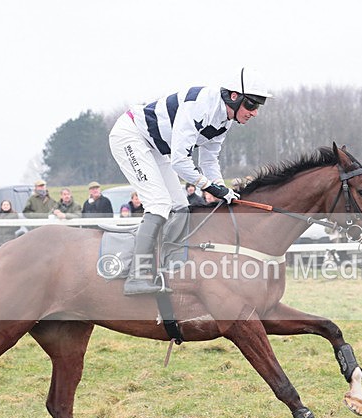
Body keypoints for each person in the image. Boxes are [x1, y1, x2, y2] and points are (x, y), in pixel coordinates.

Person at [108, 67, 271, 295]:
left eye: (258, 107)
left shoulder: (225, 120)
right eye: (252, 105)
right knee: (159, 204)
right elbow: (180, 161)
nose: (254, 112)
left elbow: (209, 159)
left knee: (181, 207)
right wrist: (210, 186)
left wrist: (222, 188)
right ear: (234, 96)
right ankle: (137, 276)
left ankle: (168, 269)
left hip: (156, 147)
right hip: (131, 136)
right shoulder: (200, 106)